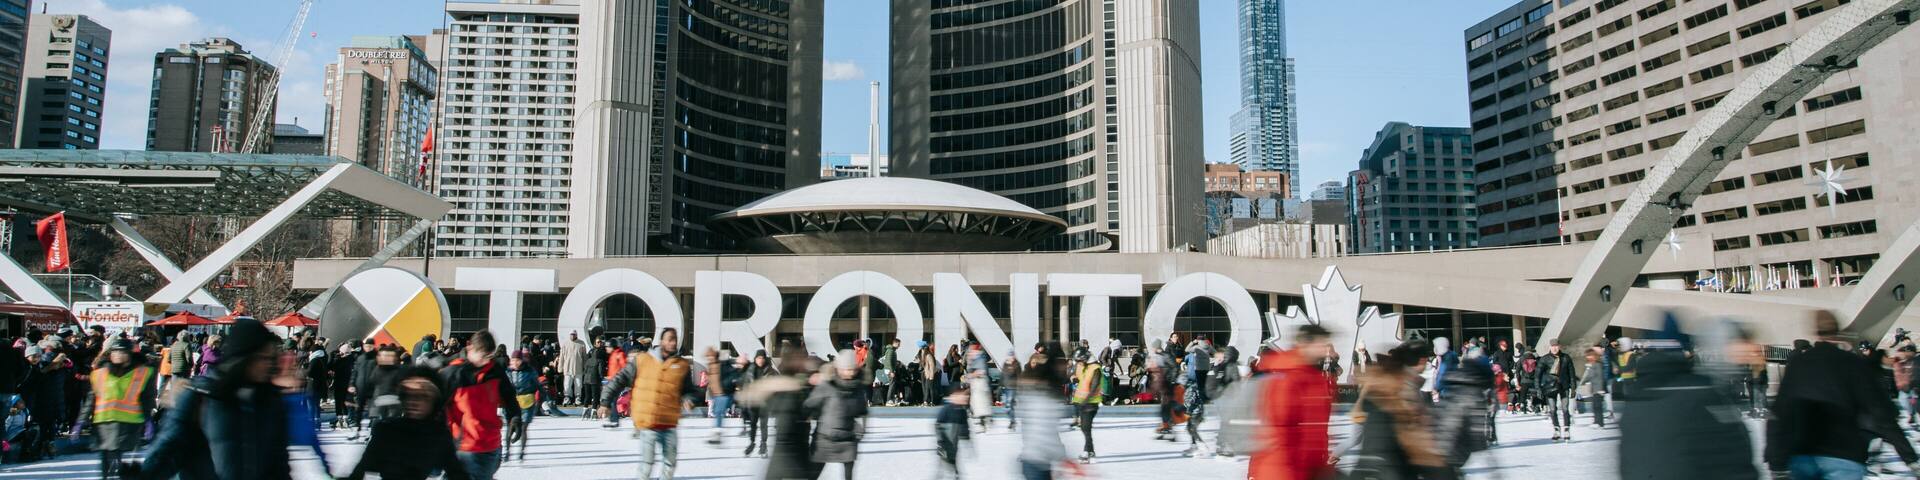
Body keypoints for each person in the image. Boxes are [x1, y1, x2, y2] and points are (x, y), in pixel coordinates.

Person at [1768, 310, 1920, 479]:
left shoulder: (1799, 364)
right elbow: (1879, 411)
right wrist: (1909, 457)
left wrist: (1776, 461)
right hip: (1844, 454)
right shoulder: (1852, 363)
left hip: (1803, 454)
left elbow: (1781, 411)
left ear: (1816, 331)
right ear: (1838, 331)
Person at [133, 318, 291, 479]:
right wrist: (145, 475)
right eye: (263, 358)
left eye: (272, 359)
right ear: (244, 357)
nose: (269, 365)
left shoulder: (270, 401)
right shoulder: (202, 396)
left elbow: (278, 462)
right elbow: (170, 448)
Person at [1618, 326, 1757, 480]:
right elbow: (1731, 453)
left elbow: (1628, 460)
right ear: (1683, 350)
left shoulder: (1634, 398)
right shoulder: (1701, 390)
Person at [599, 328, 698, 480]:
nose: (673, 342)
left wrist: (689, 399)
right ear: (661, 341)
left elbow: (689, 390)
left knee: (670, 464)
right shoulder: (643, 360)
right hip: (648, 423)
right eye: (669, 339)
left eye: (675, 339)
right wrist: (605, 402)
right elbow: (619, 379)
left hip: (669, 423)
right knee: (647, 464)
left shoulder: (682, 365)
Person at [1346, 340, 1447, 480]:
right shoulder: (1405, 387)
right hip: (1394, 468)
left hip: (1374, 464)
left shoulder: (1385, 380)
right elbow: (1417, 440)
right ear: (1423, 360)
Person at [347, 366, 471, 480]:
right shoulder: (387, 430)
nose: (413, 402)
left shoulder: (438, 435)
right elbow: (362, 469)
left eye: (422, 396)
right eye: (408, 396)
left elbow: (456, 472)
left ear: (434, 401)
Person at [1249, 325, 1336, 480]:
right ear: (1305, 344)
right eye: (1320, 344)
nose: (1324, 349)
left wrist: (1321, 464)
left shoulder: (1314, 377)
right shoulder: (1286, 377)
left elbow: (1317, 430)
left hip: (1309, 468)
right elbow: (1276, 431)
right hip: (1283, 470)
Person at [440, 330, 519, 480]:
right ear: (470, 348)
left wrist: (515, 417)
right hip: (465, 445)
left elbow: (509, 396)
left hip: (490, 444)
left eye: (489, 357)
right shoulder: (454, 373)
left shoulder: (494, 371)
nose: (485, 361)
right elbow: (436, 406)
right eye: (482, 356)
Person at [82, 339, 153, 479]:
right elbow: (91, 399)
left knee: (116, 454)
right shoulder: (100, 372)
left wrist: (148, 419)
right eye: (114, 352)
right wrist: (81, 421)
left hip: (129, 422)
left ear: (129, 354)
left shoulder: (142, 372)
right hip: (103, 421)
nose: (117, 355)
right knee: (106, 455)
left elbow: (147, 398)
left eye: (122, 351)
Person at [1017, 342, 1074, 480]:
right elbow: (1043, 435)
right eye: (1062, 363)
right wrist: (1064, 458)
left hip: (1039, 462)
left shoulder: (1046, 394)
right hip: (1036, 462)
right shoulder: (1043, 397)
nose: (1066, 367)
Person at [1536, 338, 1577, 442]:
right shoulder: (1544, 359)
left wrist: (1573, 388)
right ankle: (1556, 430)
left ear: (1559, 347)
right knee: (1553, 409)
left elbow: (1572, 374)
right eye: (1552, 346)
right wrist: (1538, 389)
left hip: (1564, 385)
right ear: (1550, 347)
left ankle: (1567, 429)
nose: (1554, 348)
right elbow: (1537, 375)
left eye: (1556, 346)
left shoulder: (1566, 358)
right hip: (1550, 387)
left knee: (1565, 408)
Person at [1180, 339, 1215, 456]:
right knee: (1191, 428)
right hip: (1203, 371)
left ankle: (1202, 447)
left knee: (1191, 428)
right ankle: (1194, 446)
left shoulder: (1195, 349)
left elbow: (1190, 402)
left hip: (1196, 412)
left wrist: (1188, 413)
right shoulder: (1208, 347)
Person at [1068, 348, 1103, 463]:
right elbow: (1076, 375)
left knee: (1086, 427)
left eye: (1080, 360)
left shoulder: (1096, 369)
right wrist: (1073, 377)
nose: (1078, 363)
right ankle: (1090, 451)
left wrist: (1086, 400)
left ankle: (1086, 452)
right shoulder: (1081, 365)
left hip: (1091, 403)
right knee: (1084, 427)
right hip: (1080, 402)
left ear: (1085, 358)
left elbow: (1094, 387)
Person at [935, 382, 972, 479]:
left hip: (954, 446)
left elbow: (964, 425)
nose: (965, 397)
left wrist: (966, 436)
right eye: (962, 395)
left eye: (966, 395)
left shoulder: (962, 412)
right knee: (943, 468)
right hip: (945, 445)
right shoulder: (946, 410)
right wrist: (941, 443)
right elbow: (938, 426)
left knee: (953, 464)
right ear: (953, 396)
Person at [703, 347, 739, 445]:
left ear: (715, 356)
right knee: (717, 412)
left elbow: (733, 373)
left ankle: (717, 435)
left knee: (718, 412)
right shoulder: (710, 366)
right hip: (716, 394)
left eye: (711, 356)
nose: (709, 358)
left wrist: (728, 384)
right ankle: (717, 434)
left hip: (724, 393)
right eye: (708, 357)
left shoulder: (722, 365)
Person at [506, 353, 538, 461]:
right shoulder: (507, 372)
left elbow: (536, 385)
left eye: (517, 360)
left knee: (524, 427)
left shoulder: (529, 371)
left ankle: (522, 452)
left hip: (527, 401)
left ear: (521, 361)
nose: (514, 363)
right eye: (512, 360)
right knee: (510, 427)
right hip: (512, 402)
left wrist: (534, 395)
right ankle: (507, 451)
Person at [741, 350, 772, 457]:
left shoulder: (770, 370)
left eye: (763, 358)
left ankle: (763, 445)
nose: (761, 360)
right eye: (759, 358)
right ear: (755, 359)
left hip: (765, 402)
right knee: (753, 425)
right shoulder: (750, 370)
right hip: (753, 402)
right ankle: (752, 443)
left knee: (764, 425)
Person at [557, 331, 589, 406]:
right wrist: (560, 368)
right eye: (571, 334)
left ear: (576, 335)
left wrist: (585, 367)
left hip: (578, 368)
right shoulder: (565, 344)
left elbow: (584, 357)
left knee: (578, 384)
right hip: (567, 368)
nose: (572, 336)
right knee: (567, 384)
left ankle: (578, 397)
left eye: (573, 335)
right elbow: (561, 357)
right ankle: (567, 397)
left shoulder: (581, 344)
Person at [1582, 348, 1610, 428]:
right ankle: (1596, 421)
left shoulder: (1597, 365)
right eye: (1587, 356)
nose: (1589, 357)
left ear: (1594, 356)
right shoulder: (1591, 365)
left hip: (1598, 389)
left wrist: (1601, 389)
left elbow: (1600, 377)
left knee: (1598, 406)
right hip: (1594, 389)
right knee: (1595, 406)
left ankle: (1600, 423)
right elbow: (1588, 376)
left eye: (1590, 356)